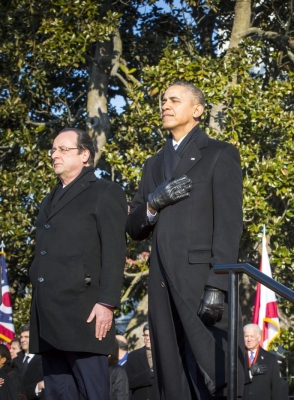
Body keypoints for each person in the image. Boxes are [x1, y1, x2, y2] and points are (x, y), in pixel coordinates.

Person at [126, 82, 244, 399]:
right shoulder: (152, 164)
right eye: (163, 100)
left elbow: (229, 226)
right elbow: (134, 227)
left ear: (197, 110)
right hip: (161, 286)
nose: (165, 105)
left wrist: (218, 285)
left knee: (212, 379)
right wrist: (152, 203)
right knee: (173, 382)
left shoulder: (220, 154)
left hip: (200, 286)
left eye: (174, 100)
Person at [28, 128, 128, 399]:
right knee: (59, 393)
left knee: (93, 392)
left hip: (85, 314)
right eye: (53, 150)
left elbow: (115, 251)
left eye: (63, 149)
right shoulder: (49, 198)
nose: (54, 155)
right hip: (48, 315)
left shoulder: (105, 192)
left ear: (85, 155)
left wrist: (107, 302)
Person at [242, 324, 287, 400]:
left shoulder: (270, 358)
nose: (249, 339)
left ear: (259, 338)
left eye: (252, 336)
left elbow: (276, 387)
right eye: (246, 336)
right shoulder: (237, 356)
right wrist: (249, 373)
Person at [125, 324, 159, 400]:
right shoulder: (133, 356)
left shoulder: (163, 355)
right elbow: (128, 381)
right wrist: (147, 376)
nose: (147, 338)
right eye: (146, 335)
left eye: (150, 336)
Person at [16, 324, 44, 400]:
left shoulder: (43, 360)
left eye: (26, 337)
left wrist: (37, 387)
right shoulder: (15, 361)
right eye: (21, 337)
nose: (22, 340)